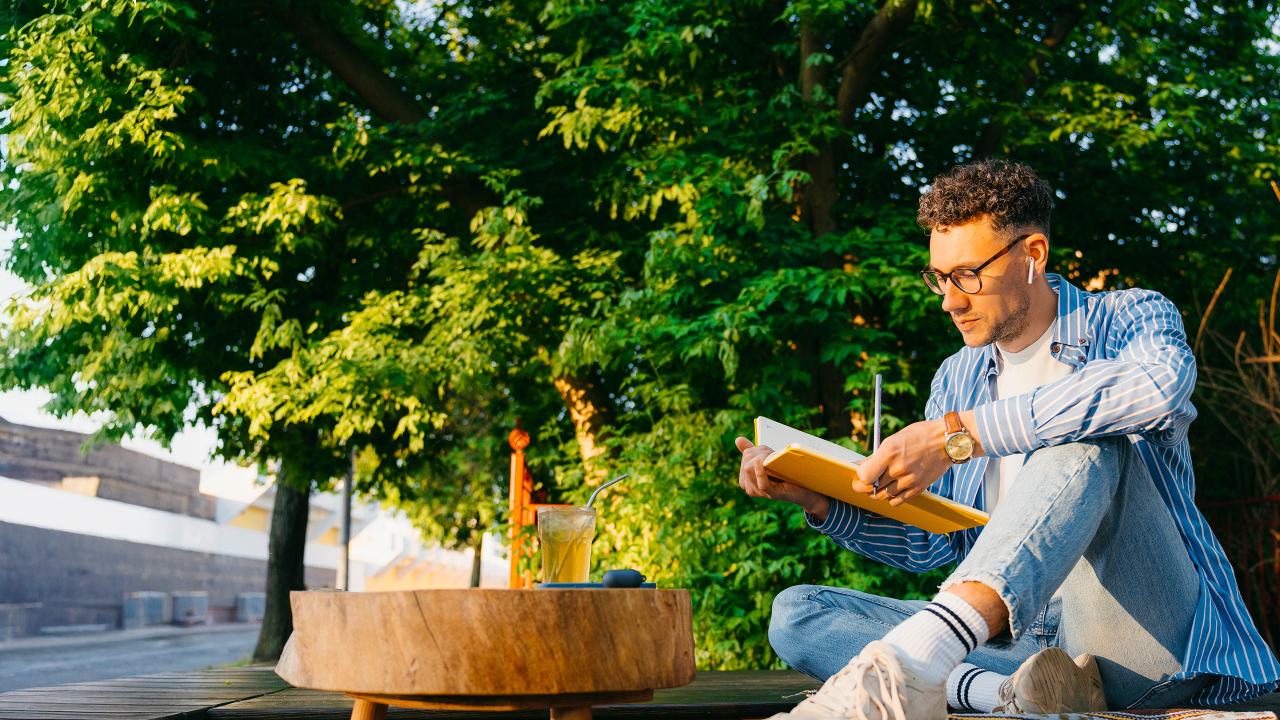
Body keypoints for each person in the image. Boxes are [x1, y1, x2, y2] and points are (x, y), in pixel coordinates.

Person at [735, 159, 1280, 719]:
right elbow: (939, 546)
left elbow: (1157, 388)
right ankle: (1000, 694)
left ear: (1033, 255)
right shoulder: (956, 378)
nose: (949, 300)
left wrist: (961, 436)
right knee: (798, 612)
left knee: (1087, 438)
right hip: (1011, 645)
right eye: (939, 278)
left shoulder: (1128, 315)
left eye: (966, 275)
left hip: (1135, 638)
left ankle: (924, 662)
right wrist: (819, 498)